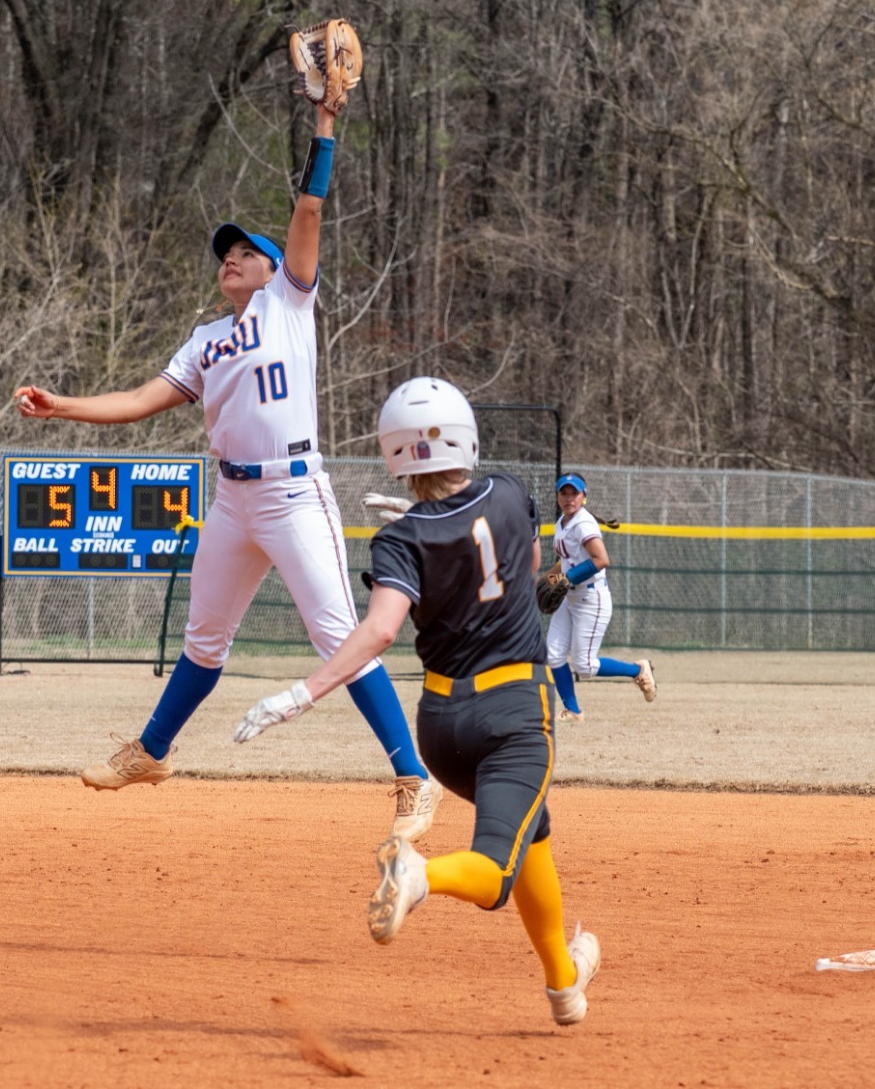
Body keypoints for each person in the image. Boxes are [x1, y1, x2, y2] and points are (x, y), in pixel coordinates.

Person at [11, 97, 439, 841]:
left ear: (273, 269)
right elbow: (146, 398)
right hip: (233, 500)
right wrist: (64, 407)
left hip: (294, 493)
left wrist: (326, 124)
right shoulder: (207, 339)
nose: (230, 258)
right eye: (225, 253)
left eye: (245, 251)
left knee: (341, 635)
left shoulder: (289, 303)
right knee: (204, 640)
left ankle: (412, 776)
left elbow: (309, 209)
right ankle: (149, 753)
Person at [233, 376, 601, 1027]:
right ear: (466, 436)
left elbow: (380, 629)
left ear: (394, 455)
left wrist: (303, 692)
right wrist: (451, 539)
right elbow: (524, 559)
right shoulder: (512, 492)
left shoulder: (400, 541)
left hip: (441, 729)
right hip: (515, 712)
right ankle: (421, 876)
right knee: (493, 869)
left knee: (530, 832)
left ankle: (563, 984)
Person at [545, 474, 655, 722]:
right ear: (557, 496)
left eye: (574, 493)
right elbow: (567, 561)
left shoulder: (584, 523)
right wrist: (545, 578)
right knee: (553, 654)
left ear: (584, 496)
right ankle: (573, 711)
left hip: (590, 599)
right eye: (564, 493)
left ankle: (637, 670)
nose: (569, 498)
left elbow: (601, 559)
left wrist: (567, 578)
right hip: (569, 596)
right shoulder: (561, 523)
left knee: (584, 667)